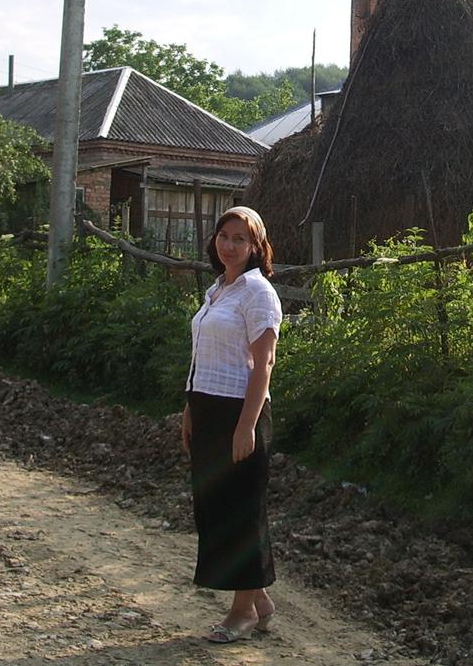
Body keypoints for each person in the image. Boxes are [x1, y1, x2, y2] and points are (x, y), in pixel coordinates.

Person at [182, 205, 281, 643]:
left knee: (240, 511)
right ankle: (258, 598)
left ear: (256, 247)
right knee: (214, 508)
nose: (230, 245)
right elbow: (203, 356)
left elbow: (264, 366)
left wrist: (246, 426)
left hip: (241, 412)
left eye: (240, 239)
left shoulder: (258, 292)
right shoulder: (217, 290)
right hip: (206, 409)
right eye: (225, 235)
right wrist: (189, 408)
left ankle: (241, 611)